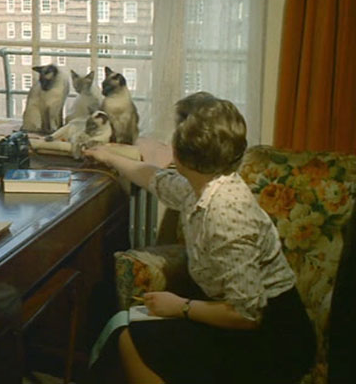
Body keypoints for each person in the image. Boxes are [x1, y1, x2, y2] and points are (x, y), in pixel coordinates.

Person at [84, 93, 315, 384]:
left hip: (272, 338)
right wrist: (105, 155)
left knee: (131, 339)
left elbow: (247, 314)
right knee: (125, 329)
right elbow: (154, 178)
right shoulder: (203, 183)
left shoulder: (226, 215)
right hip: (234, 318)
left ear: (179, 154)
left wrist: (180, 307)